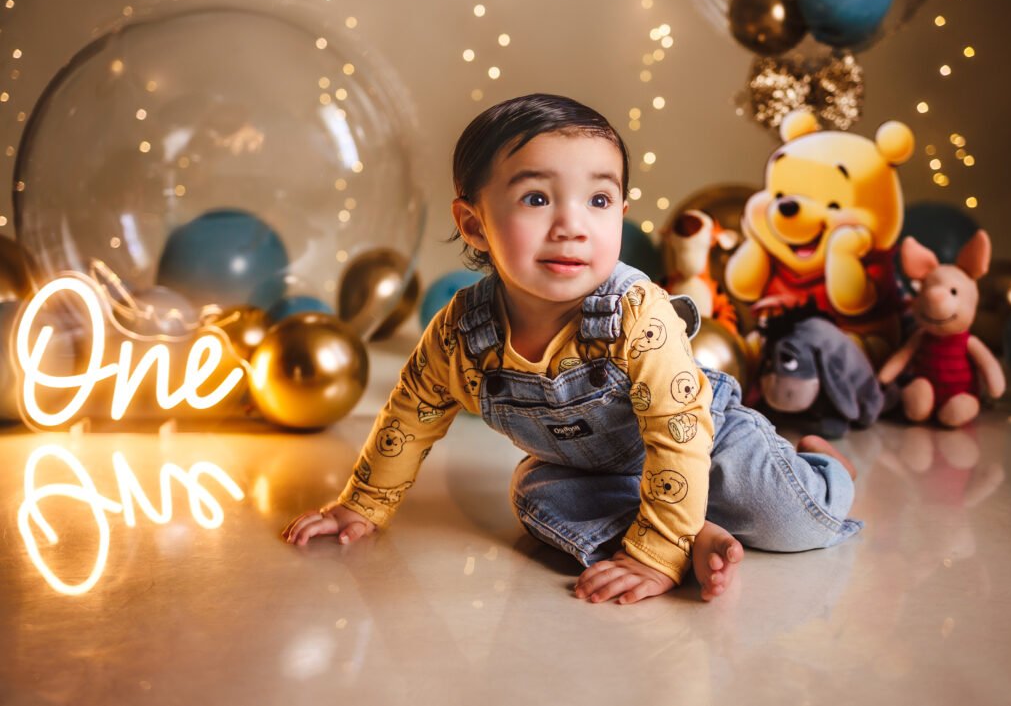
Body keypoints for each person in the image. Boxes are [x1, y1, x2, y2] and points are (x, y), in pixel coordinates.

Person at [284, 94, 862, 604]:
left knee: (789, 521)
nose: (572, 225)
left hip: (700, 437)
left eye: (599, 201)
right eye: (537, 198)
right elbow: (409, 417)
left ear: (621, 215)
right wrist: (362, 504)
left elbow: (676, 433)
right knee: (538, 497)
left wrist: (656, 554)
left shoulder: (637, 313)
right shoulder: (462, 335)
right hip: (590, 471)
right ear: (474, 224)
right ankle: (690, 532)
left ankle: (822, 471)